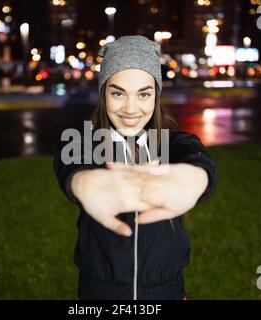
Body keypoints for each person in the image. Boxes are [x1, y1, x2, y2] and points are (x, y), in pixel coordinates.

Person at [53, 35, 218, 300]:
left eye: (144, 94)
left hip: (168, 293)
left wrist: (199, 177)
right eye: (118, 93)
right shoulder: (84, 142)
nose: (131, 108)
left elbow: (195, 154)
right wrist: (80, 182)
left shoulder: (172, 143)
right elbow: (69, 160)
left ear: (156, 96)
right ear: (104, 93)